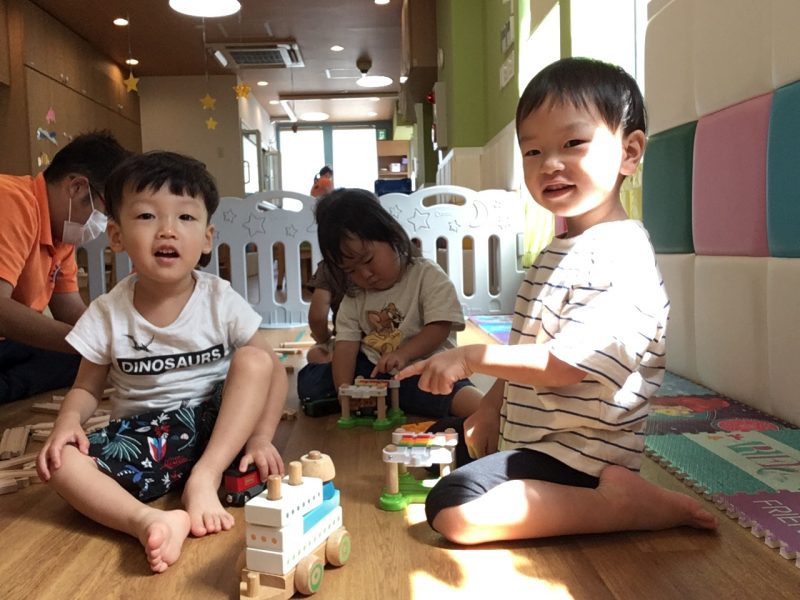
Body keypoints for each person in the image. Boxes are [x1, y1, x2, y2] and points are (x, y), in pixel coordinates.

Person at [395, 57, 718, 545]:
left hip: (581, 457)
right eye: (533, 150)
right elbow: (527, 351)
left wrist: (470, 357)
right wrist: (491, 407)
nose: (550, 163)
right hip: (534, 437)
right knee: (434, 440)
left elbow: (564, 365)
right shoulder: (557, 250)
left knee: (452, 509)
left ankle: (620, 505)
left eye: (573, 143)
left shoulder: (620, 255)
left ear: (630, 152)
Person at [36, 151, 288, 573]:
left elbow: (273, 371)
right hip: (148, 442)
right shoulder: (108, 312)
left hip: (222, 430)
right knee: (60, 464)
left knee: (255, 359)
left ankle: (204, 478)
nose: (168, 230)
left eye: (185, 217)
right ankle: (148, 521)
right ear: (116, 235)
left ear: (206, 238)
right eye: (147, 216)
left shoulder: (219, 298)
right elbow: (86, 387)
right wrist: (67, 422)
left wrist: (261, 438)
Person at [296, 188, 482, 418]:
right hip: (374, 370)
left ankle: (488, 411)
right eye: (351, 271)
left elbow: (439, 327)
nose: (365, 275)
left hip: (423, 365)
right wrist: (345, 391)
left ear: (392, 236)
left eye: (368, 260)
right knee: (311, 384)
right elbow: (346, 345)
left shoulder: (426, 275)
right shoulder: (355, 295)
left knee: (448, 390)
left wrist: (404, 354)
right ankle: (350, 384)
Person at [0, 131, 130, 403]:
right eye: (106, 212)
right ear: (77, 187)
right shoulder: (11, 200)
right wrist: (88, 343)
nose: (104, 224)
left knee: (82, 360)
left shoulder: (62, 232)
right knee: (78, 356)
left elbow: (69, 309)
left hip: (10, 347)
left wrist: (117, 339)